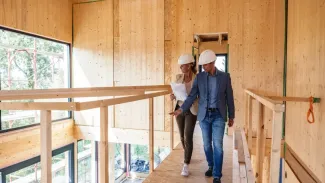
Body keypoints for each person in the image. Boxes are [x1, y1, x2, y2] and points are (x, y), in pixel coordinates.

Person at [170, 50, 235, 183]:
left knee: (218, 145)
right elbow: (192, 96)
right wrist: (181, 109)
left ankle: (217, 176)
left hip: (219, 115)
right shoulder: (199, 77)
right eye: (202, 65)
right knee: (206, 145)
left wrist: (231, 116)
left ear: (212, 63)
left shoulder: (225, 77)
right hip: (204, 116)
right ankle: (211, 166)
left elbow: (229, 97)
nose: (203, 67)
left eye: (206, 65)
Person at [170, 53, 198, 177]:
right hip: (179, 109)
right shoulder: (178, 77)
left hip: (191, 110)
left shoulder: (197, 78)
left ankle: (186, 164)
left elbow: (201, 95)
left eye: (183, 65)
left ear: (190, 65)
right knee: (181, 136)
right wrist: (172, 96)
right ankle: (187, 154)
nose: (181, 67)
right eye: (180, 65)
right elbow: (175, 92)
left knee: (188, 136)